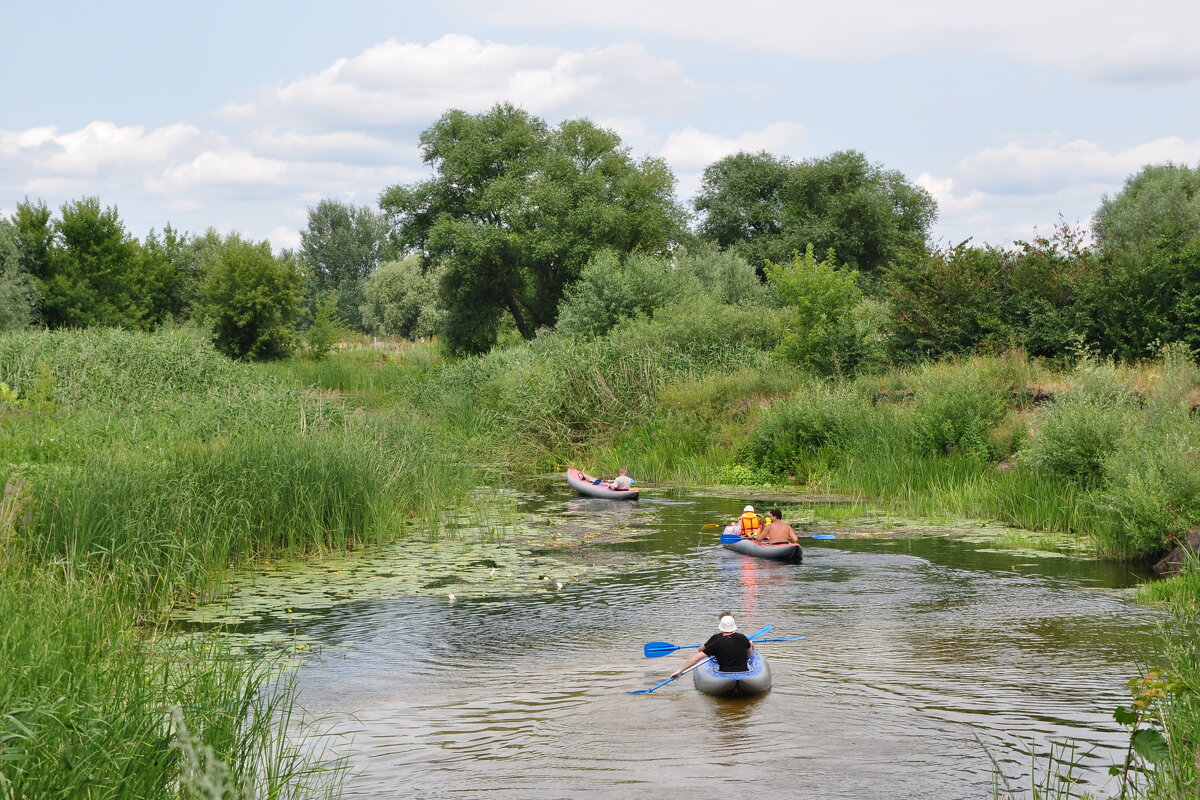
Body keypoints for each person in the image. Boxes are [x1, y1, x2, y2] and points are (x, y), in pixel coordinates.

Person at [671, 613, 754, 677]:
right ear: (734, 626)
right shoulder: (743, 638)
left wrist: (679, 671)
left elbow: (696, 658)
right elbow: (751, 655)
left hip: (724, 672)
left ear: (721, 627)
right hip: (744, 671)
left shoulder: (716, 642)